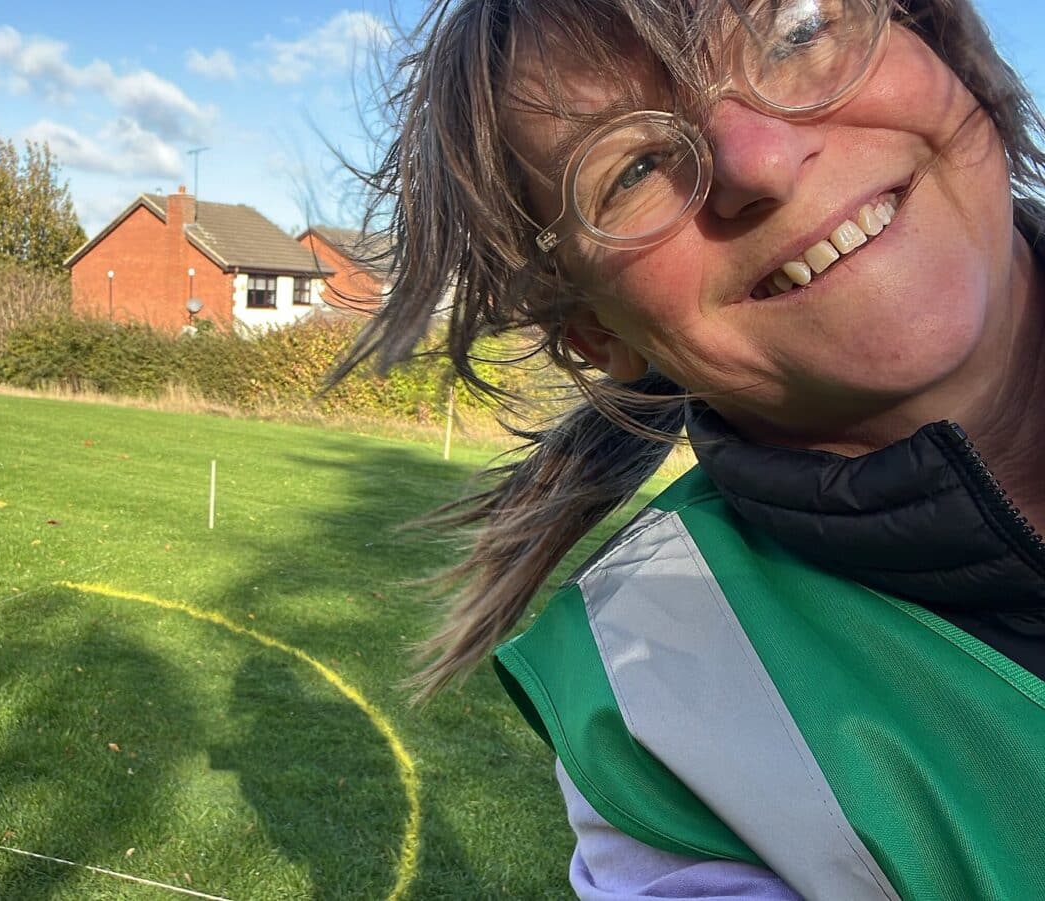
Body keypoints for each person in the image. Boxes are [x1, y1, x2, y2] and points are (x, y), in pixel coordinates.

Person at [343, 0, 1045, 897]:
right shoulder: (660, 703)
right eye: (633, 168)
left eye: (797, 32)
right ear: (594, 332)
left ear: (939, 41)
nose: (760, 159)